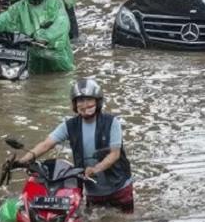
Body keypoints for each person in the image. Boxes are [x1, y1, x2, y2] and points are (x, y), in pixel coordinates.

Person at [13, 79, 133, 212]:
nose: (84, 104)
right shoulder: (69, 126)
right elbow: (46, 144)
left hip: (119, 186)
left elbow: (114, 154)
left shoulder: (112, 123)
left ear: (97, 101)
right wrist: (21, 161)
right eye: (80, 100)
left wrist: (96, 168)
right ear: (75, 104)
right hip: (92, 190)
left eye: (89, 100)